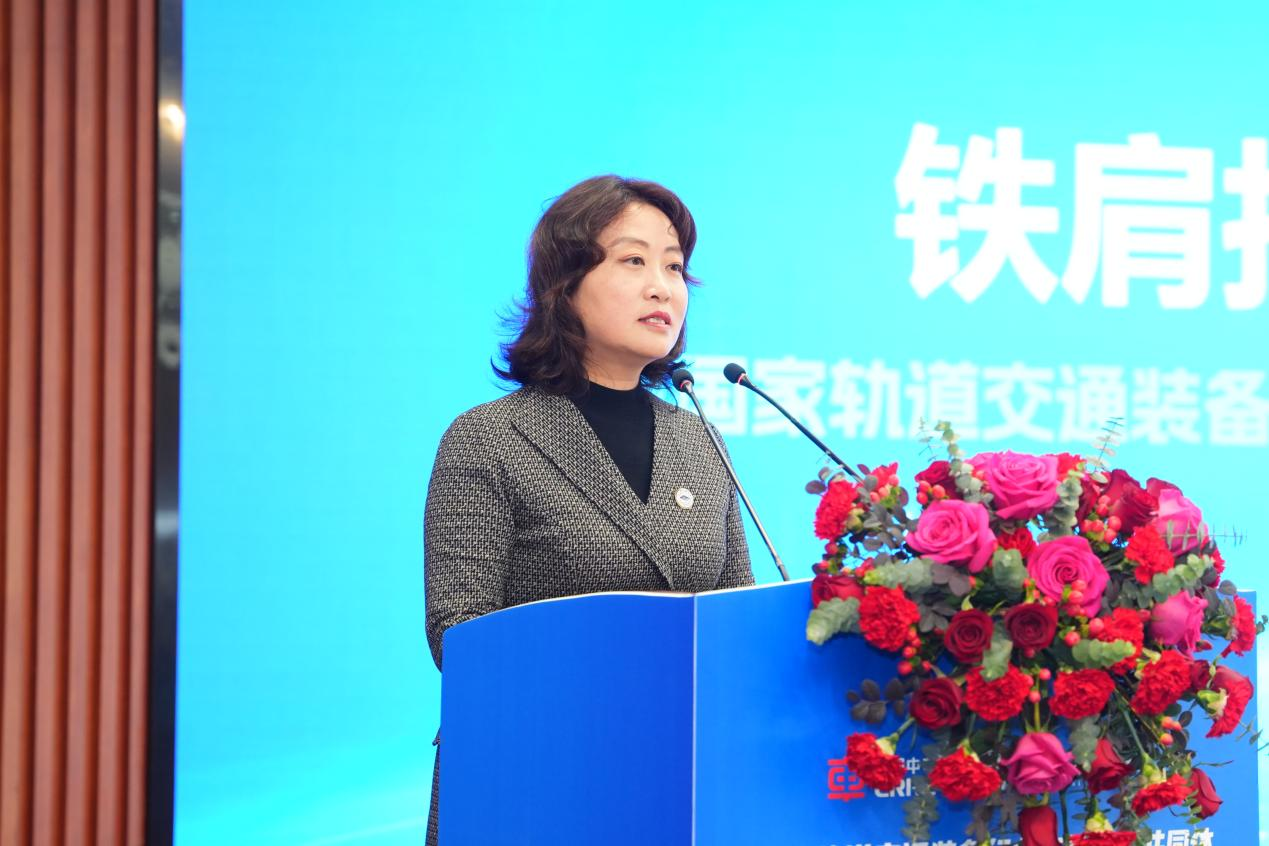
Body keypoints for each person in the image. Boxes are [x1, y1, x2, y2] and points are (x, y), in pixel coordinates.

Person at [422, 175, 754, 845]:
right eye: (633, 260)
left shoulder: (698, 438)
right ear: (565, 285)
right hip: (535, 778)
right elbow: (459, 635)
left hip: (680, 780)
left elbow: (736, 614)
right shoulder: (489, 437)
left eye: (674, 267)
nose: (662, 287)